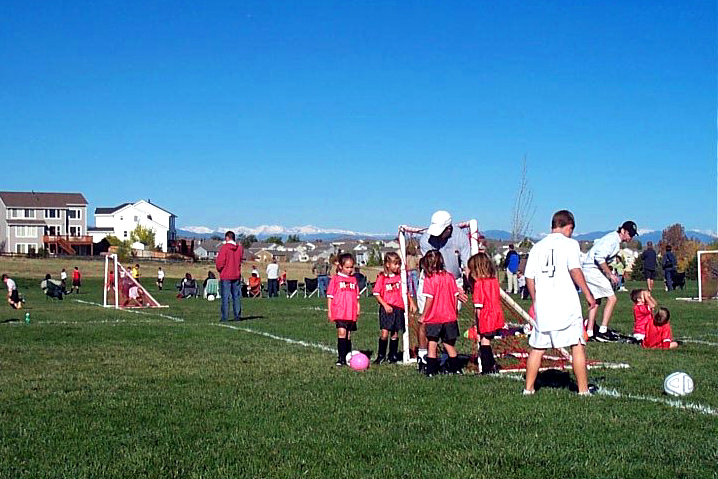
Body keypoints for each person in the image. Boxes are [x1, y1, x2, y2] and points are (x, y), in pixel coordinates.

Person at [523, 210, 597, 396]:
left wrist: (535, 299)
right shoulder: (570, 244)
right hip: (566, 303)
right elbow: (575, 269)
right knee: (577, 345)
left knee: (538, 347)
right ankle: (583, 390)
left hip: (544, 304)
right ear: (568, 227)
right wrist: (588, 294)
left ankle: (528, 388)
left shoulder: (537, 247)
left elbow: (529, 277)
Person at [417, 210, 470, 369]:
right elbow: (430, 268)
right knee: (425, 319)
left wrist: (460, 288)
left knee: (450, 321)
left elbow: (466, 265)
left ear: (449, 228)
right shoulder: (425, 240)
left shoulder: (461, 238)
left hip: (453, 280)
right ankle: (423, 355)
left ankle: (447, 358)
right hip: (430, 279)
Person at [582, 220, 638, 342]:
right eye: (629, 234)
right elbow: (599, 257)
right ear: (622, 231)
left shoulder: (614, 240)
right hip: (592, 270)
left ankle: (590, 332)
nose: (631, 237)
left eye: (632, 235)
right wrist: (610, 274)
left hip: (589, 269)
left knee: (596, 300)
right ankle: (603, 331)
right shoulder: (612, 240)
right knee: (612, 298)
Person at [419, 250, 462, 376]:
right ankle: (456, 369)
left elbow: (429, 299)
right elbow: (455, 296)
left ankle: (431, 371)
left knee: (432, 344)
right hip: (449, 316)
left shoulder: (429, 279)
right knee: (448, 344)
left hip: (434, 317)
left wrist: (423, 315)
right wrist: (454, 311)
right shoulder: (450, 277)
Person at [373, 252, 416, 364]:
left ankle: (392, 355)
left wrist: (411, 302)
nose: (397, 266)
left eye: (399, 264)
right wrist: (385, 305)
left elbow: (405, 291)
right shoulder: (382, 277)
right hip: (387, 308)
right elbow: (376, 293)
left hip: (398, 308)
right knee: (384, 333)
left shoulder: (400, 277)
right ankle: (381, 355)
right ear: (388, 264)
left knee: (395, 333)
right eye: (395, 264)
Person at [468, 252, 505, 374]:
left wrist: (478, 324)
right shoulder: (494, 281)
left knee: (484, 341)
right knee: (487, 340)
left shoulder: (479, 284)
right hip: (496, 315)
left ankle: (487, 368)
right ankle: (492, 364)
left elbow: (479, 306)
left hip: (486, 316)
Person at [327, 253, 360, 366]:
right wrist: (330, 311)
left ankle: (347, 357)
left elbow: (357, 296)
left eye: (351, 267)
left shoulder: (354, 280)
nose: (350, 270)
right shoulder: (335, 279)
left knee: (348, 334)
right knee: (342, 332)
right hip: (340, 311)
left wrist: (358, 308)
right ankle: (341, 358)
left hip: (351, 312)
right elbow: (330, 296)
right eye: (347, 267)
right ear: (341, 266)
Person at [215, 230, 243, 322]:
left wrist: (219, 269)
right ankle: (237, 315)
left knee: (225, 297)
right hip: (236, 274)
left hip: (226, 275)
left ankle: (225, 317)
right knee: (236, 297)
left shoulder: (224, 248)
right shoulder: (239, 248)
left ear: (227, 238)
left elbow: (220, 262)